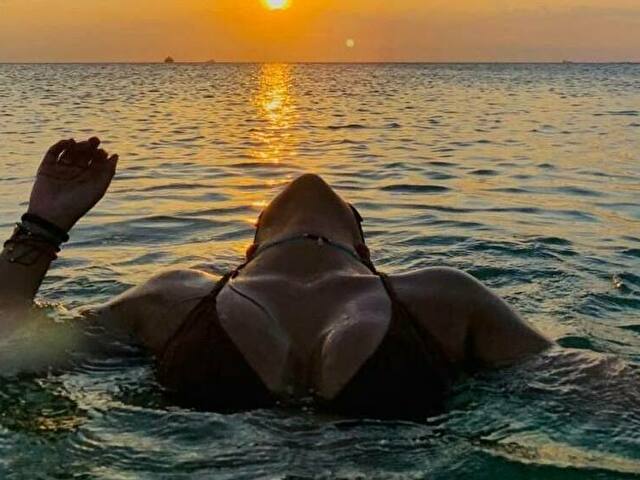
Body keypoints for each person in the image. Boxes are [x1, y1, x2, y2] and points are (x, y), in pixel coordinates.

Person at [0, 138, 551, 418]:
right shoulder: (441, 297)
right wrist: (45, 220)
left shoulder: (174, 296)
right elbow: (578, 388)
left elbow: (12, 339)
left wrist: (42, 227)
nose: (308, 181)